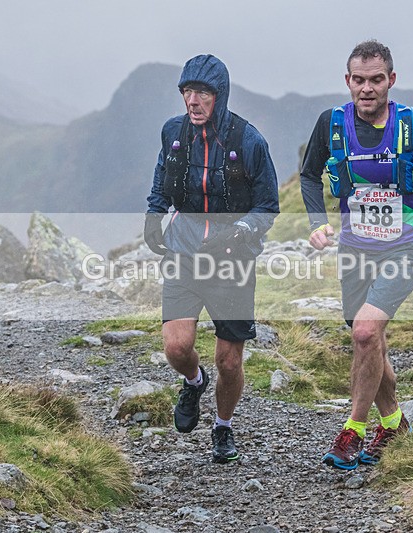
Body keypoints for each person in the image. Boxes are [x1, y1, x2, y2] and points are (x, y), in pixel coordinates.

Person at [299, 40, 413, 470]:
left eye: (377, 80)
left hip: (407, 245)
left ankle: (351, 433)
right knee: (368, 341)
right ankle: (394, 424)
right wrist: (317, 222)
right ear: (348, 81)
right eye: (359, 80)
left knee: (364, 334)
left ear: (391, 80)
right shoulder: (331, 124)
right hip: (356, 248)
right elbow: (308, 174)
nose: (367, 88)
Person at [144, 54, 279, 463]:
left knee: (229, 360)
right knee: (176, 347)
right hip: (184, 254)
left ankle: (223, 427)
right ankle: (193, 381)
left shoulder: (248, 141)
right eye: (187, 92)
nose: (193, 100)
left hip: (231, 262)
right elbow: (161, 183)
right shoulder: (173, 133)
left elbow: (268, 206)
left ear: (219, 96)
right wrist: (153, 215)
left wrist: (240, 233)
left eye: (202, 92)